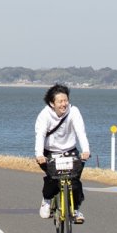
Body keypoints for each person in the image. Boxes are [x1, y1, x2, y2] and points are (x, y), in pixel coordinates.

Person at [35, 83, 90, 223]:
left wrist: (86, 150)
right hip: (49, 152)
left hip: (70, 151)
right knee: (53, 179)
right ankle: (47, 200)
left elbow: (81, 132)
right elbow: (40, 135)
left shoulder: (74, 111)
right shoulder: (44, 115)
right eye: (60, 101)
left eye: (66, 100)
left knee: (74, 181)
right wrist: (39, 154)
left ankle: (75, 209)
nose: (64, 104)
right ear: (52, 103)